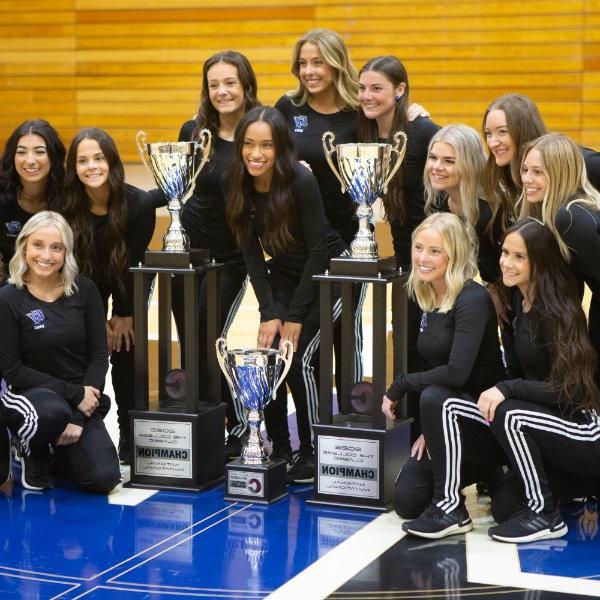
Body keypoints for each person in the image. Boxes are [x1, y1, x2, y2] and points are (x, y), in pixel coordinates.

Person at [226, 106, 347, 483]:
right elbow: (250, 254)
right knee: (267, 358)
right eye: (248, 144)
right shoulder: (238, 181)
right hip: (285, 277)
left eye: (266, 145)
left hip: (330, 276)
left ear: (281, 147)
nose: (256, 154)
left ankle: (312, 449)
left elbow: (318, 251)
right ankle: (278, 444)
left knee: (297, 360)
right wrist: (270, 310)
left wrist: (293, 316)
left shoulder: (299, 180)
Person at [157, 51, 259, 460]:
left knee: (206, 335)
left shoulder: (261, 128)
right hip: (189, 251)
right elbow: (176, 188)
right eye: (214, 84)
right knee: (190, 343)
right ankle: (201, 421)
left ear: (246, 84)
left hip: (232, 256)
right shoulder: (193, 130)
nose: (222, 91)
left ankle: (238, 422)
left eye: (230, 82)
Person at [383, 212, 506, 538]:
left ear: (454, 255)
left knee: (434, 396)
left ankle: (452, 507)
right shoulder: (426, 293)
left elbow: (454, 374)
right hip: (451, 419)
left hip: (484, 421)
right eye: (418, 248)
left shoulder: (473, 298)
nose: (422, 258)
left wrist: (400, 386)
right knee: (407, 501)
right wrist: (432, 429)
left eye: (434, 251)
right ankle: (475, 477)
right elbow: (430, 367)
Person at [481, 218, 600, 543]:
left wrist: (507, 389)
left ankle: (544, 516)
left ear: (540, 263)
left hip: (584, 430)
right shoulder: (519, 301)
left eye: (519, 257)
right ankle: (582, 484)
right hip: (550, 427)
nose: (506, 262)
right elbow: (519, 374)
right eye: (505, 253)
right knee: (504, 507)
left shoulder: (557, 311)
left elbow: (572, 392)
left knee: (508, 412)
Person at [0, 211, 120, 493]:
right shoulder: (8, 297)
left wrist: (79, 415)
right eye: (38, 245)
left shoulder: (85, 290)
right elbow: (12, 369)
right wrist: (75, 394)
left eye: (56, 248)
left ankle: (58, 455)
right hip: (32, 399)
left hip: (79, 400)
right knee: (51, 411)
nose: (46, 255)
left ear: (67, 252)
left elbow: (98, 358)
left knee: (104, 478)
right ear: (24, 247)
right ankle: (31, 448)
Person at [60, 128, 156, 465]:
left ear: (112, 162)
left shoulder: (139, 205)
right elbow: (74, 271)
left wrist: (125, 313)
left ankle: (129, 432)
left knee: (126, 345)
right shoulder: (66, 206)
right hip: (82, 286)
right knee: (83, 343)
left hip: (128, 280)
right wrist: (95, 317)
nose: (92, 166)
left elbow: (133, 266)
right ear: (73, 168)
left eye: (98, 158)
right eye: (83, 160)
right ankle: (78, 418)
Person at [358, 55, 440, 439]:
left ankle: (436, 432)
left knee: (433, 348)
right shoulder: (367, 133)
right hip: (407, 262)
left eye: (377, 88)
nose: (368, 95)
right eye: (363, 88)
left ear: (400, 90)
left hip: (438, 264)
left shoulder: (422, 132)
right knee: (406, 342)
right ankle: (411, 434)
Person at [518, 132, 600, 374]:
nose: (527, 179)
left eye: (538, 172)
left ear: (560, 173)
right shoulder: (570, 208)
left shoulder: (569, 217)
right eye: (525, 170)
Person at [424, 124, 503, 285]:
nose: (437, 167)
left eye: (449, 161)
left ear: (470, 165)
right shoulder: (437, 203)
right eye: (433, 158)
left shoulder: (491, 211)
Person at [0, 119, 66, 282]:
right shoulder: (2, 197)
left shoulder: (69, 197)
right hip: (9, 289)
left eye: (39, 151)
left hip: (58, 287)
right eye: (21, 152)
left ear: (53, 156)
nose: (30, 160)